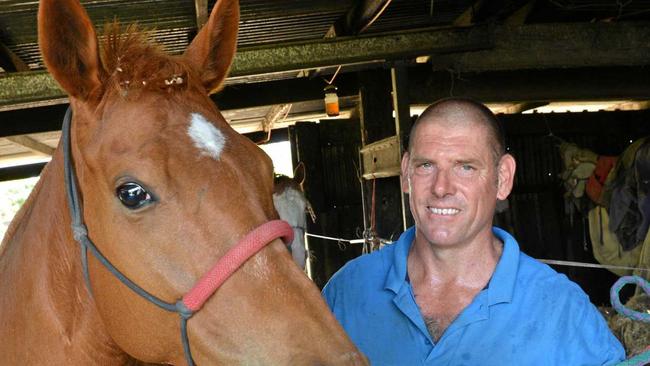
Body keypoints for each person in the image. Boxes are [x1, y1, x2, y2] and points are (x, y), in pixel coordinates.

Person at [322, 97, 625, 365]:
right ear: (405, 174)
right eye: (426, 166)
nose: (441, 188)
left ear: (503, 178)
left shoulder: (561, 309)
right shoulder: (346, 292)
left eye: (465, 167)